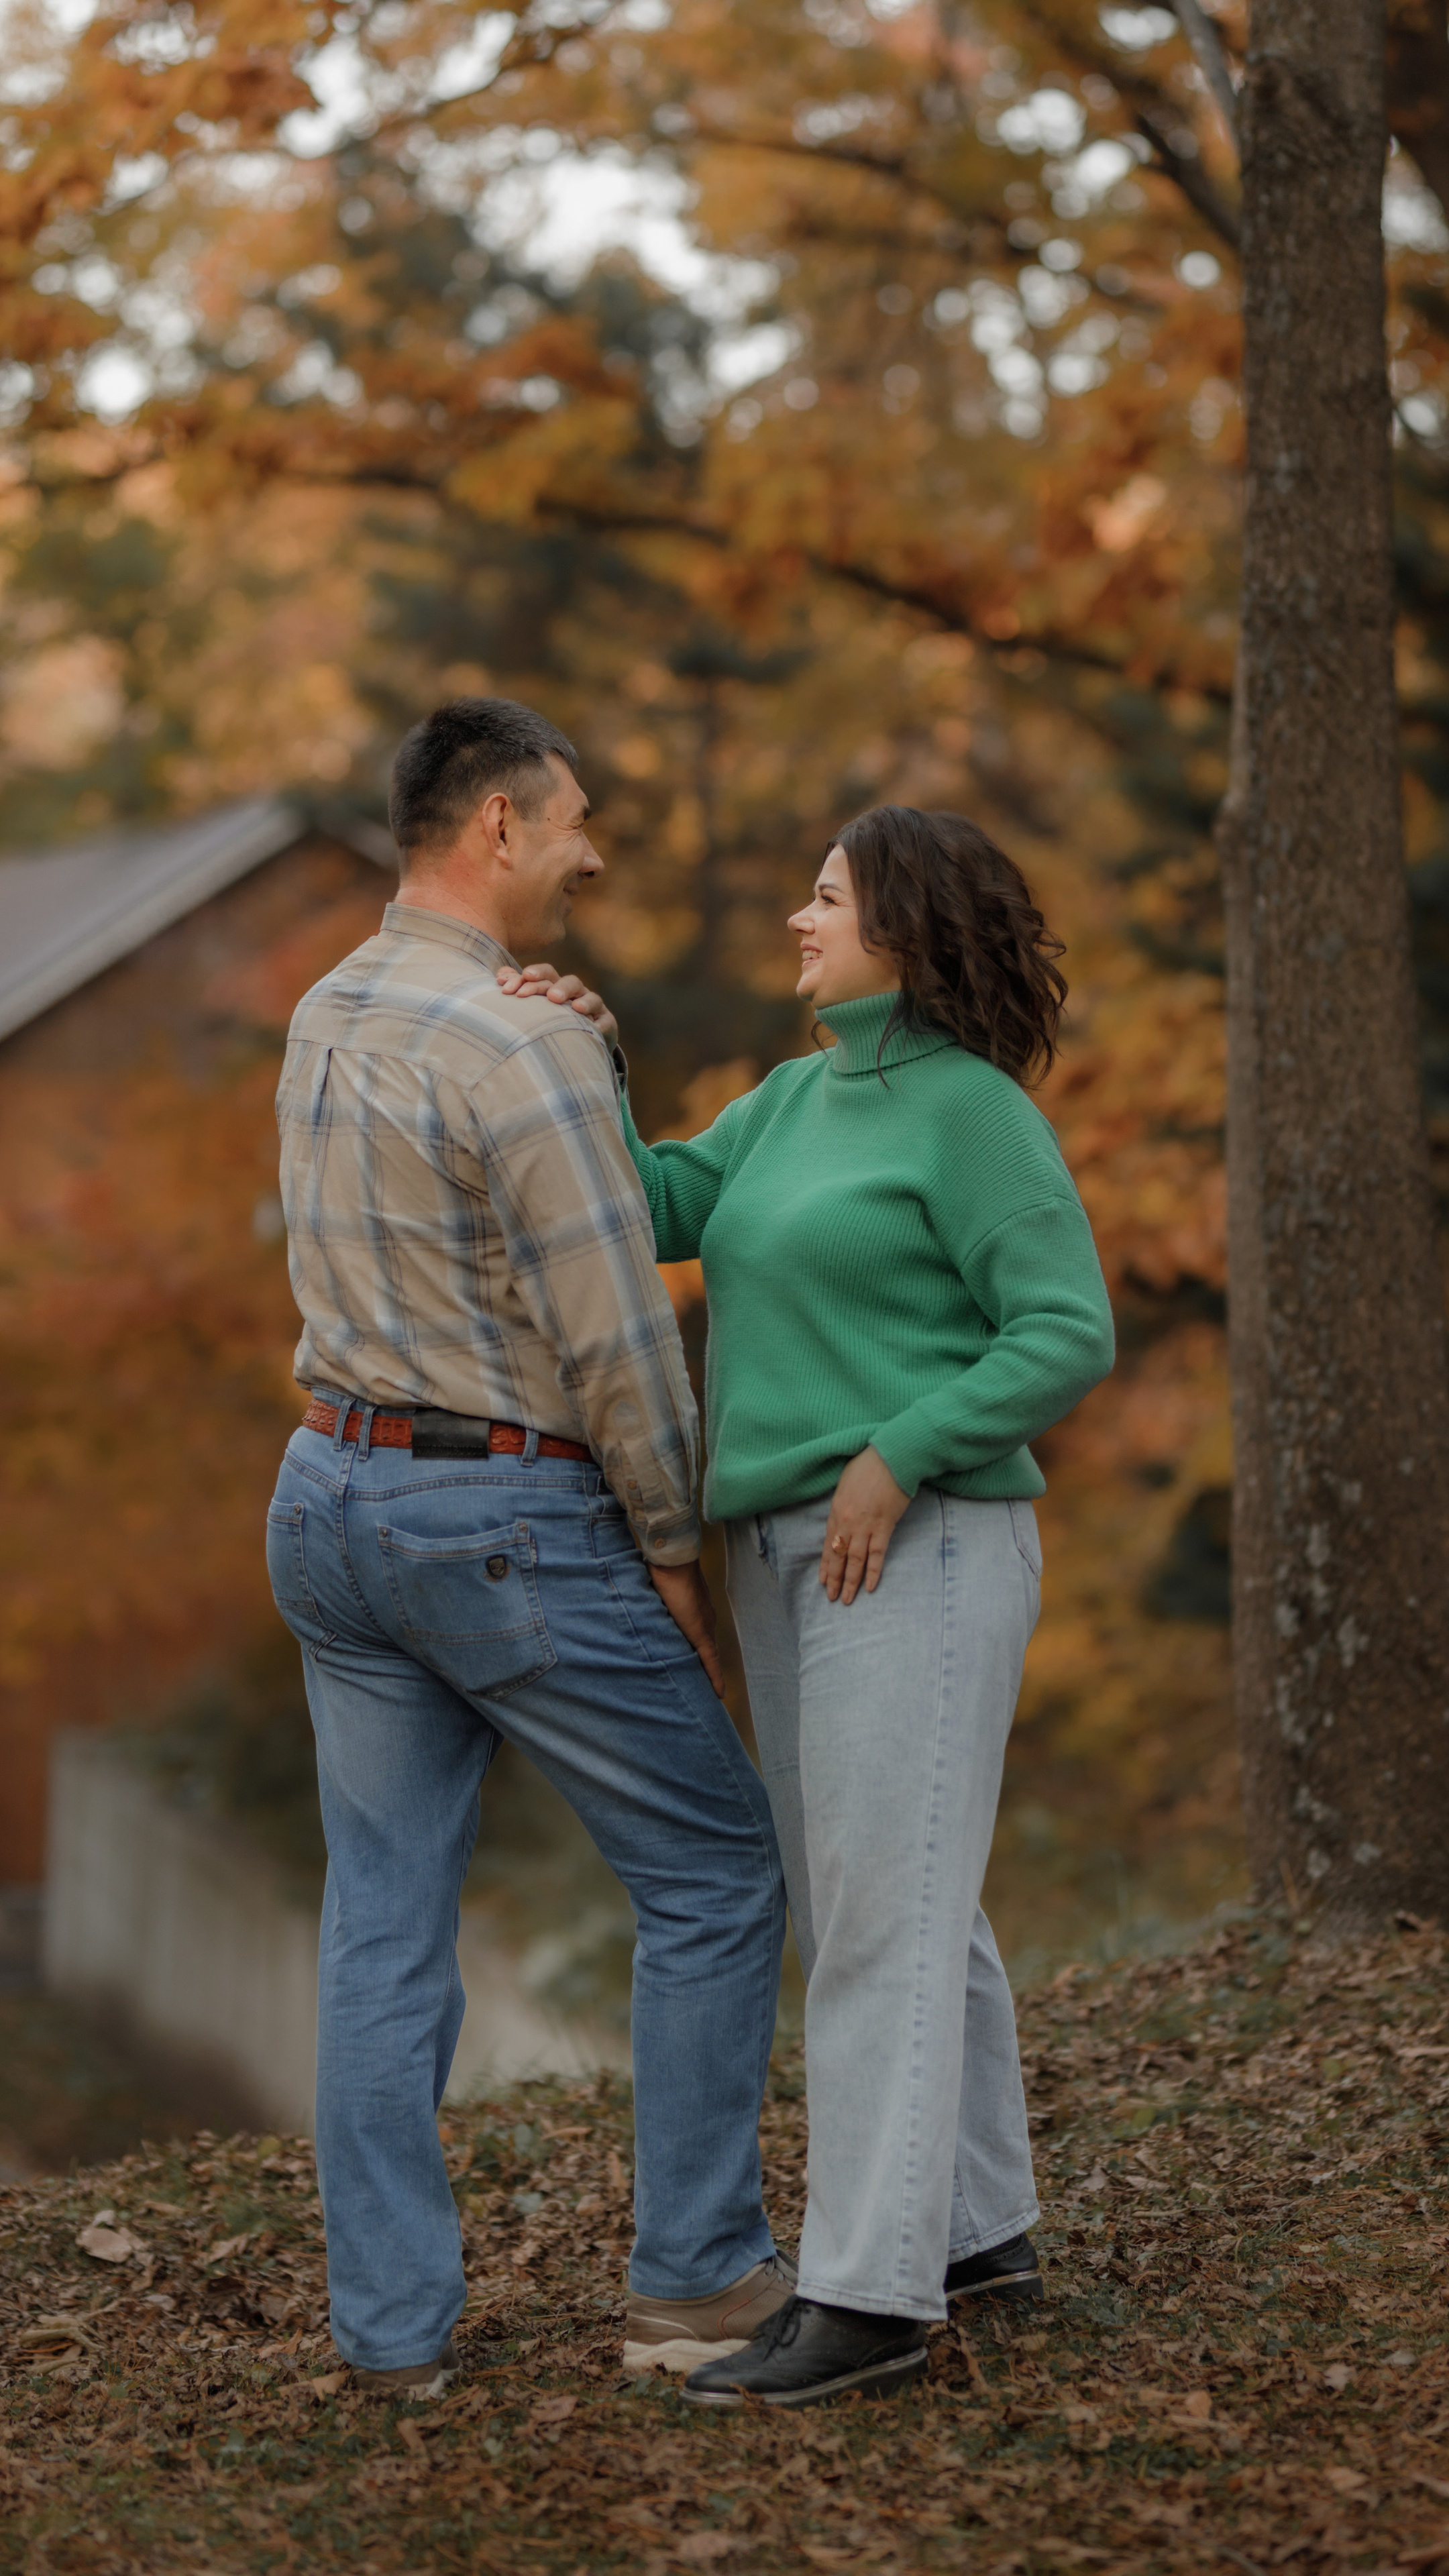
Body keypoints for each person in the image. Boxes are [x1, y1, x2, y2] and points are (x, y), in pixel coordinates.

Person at [502, 804, 1115, 2408]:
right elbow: (648, 1210)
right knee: (894, 1902)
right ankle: (979, 2233)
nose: (798, 918)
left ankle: (867, 2298)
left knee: (875, 1920)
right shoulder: (785, 1101)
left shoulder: (973, 1113)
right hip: (779, 1555)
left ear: (902, 929)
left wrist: (897, 1456)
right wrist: (586, 1060)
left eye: (826, 898)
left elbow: (1064, 1329)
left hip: (919, 1546)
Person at [268, 697, 794, 2397]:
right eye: (572, 821)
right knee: (715, 1873)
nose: (592, 853)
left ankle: (390, 2337)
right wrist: (675, 1557)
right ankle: (697, 2282)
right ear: (497, 825)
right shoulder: (521, 1045)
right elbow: (620, 1340)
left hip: (328, 1498)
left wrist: (592, 1054)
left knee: (380, 1924)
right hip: (499, 1519)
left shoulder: (327, 1010)